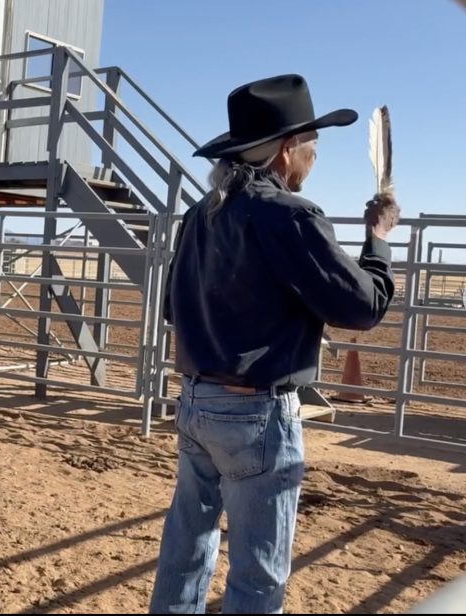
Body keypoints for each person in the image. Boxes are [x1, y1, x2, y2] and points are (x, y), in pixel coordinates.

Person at [150, 74, 399, 614]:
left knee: (187, 543)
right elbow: (361, 307)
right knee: (260, 570)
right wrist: (378, 239)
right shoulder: (290, 215)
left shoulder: (201, 215)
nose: (314, 157)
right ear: (287, 150)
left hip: (195, 398)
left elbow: (173, 307)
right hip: (257, 410)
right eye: (312, 145)